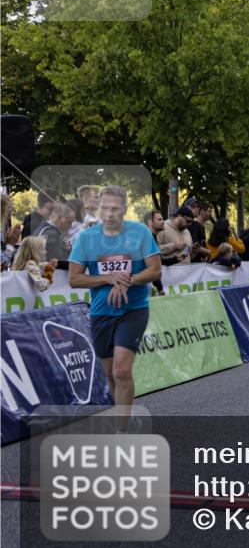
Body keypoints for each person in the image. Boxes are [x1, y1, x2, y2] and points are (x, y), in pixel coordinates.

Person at [68, 185, 161, 432]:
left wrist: (128, 279)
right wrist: (108, 279)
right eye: (105, 208)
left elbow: (155, 270)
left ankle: (121, 432)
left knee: (121, 370)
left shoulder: (140, 232)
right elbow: (74, 279)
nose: (109, 213)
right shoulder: (87, 238)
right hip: (101, 311)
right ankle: (126, 411)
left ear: (125, 209)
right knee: (109, 373)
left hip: (134, 308)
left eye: (115, 209)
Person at [34, 202, 74, 269]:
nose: (71, 226)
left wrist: (67, 249)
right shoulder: (51, 234)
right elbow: (57, 261)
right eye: (69, 222)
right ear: (59, 218)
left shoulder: (46, 229)